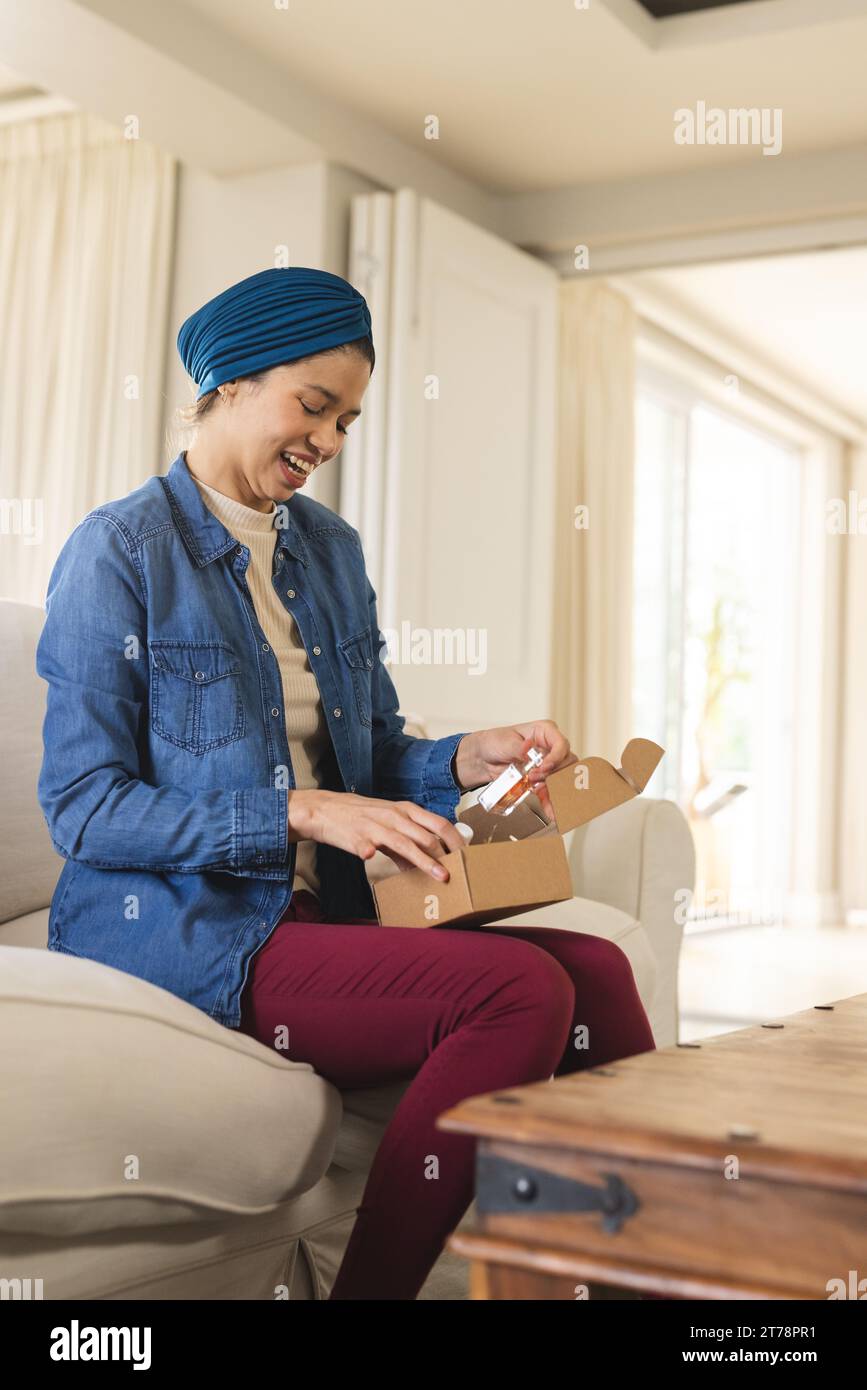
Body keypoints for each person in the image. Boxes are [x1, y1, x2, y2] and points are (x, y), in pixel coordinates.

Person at [36, 266, 655, 1301]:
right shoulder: (118, 552)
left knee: (595, 970)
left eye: (348, 421)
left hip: (337, 914)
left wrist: (466, 756)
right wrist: (296, 811)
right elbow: (85, 807)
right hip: (192, 931)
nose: (326, 441)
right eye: (313, 406)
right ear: (230, 380)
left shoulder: (328, 550)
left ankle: (646, 1279)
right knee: (520, 989)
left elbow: (368, 754)